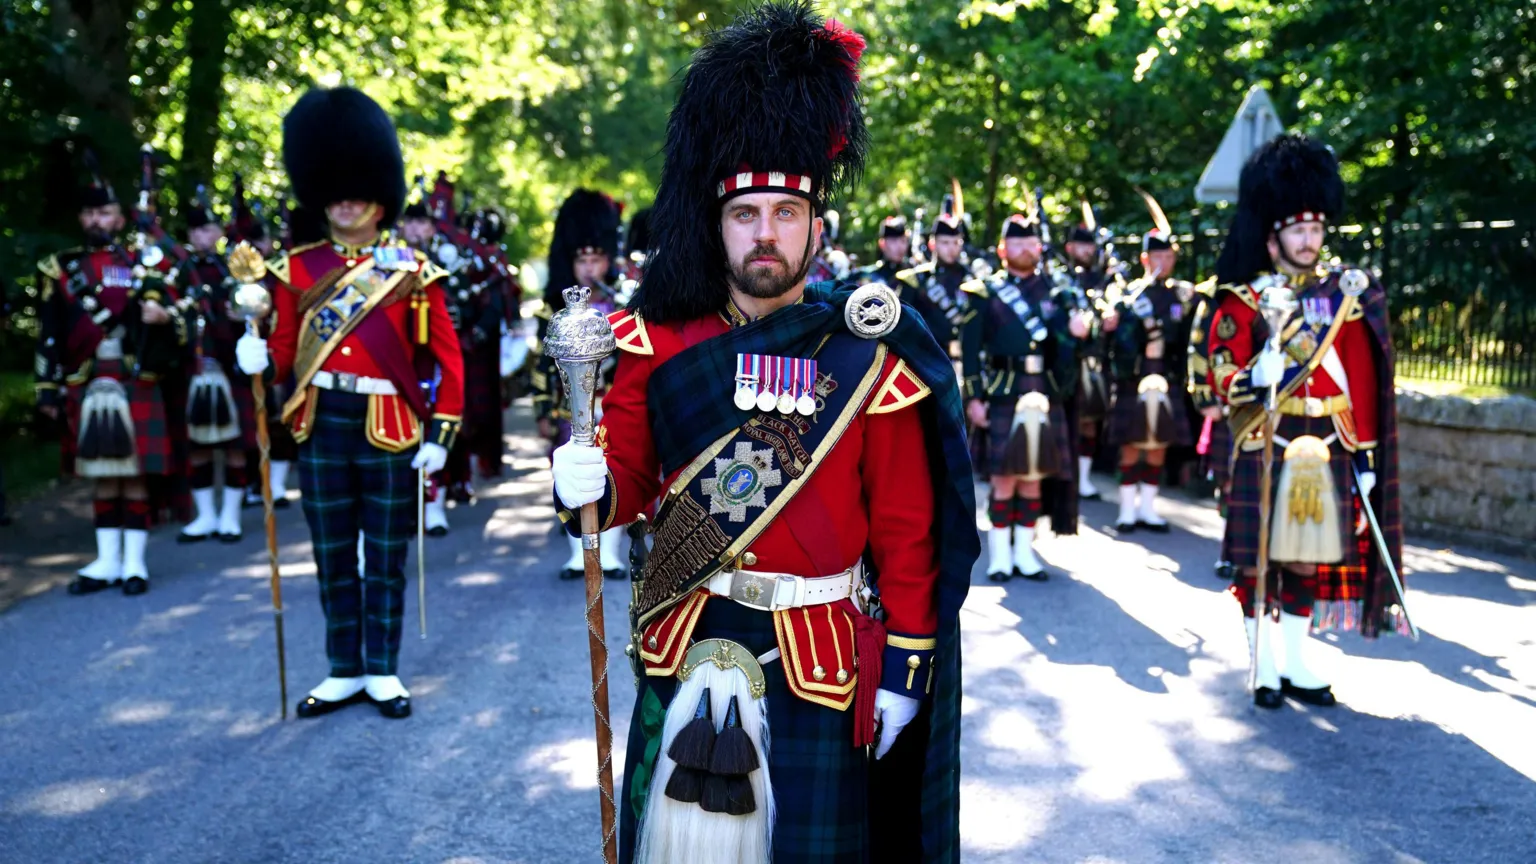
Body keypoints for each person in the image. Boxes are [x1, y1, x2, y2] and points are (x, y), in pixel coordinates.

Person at [549, 6, 976, 861]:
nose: (767, 233)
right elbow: (627, 485)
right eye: (747, 213)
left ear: (818, 223)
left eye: (787, 211)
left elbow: (907, 533)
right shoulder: (655, 338)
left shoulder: (866, 350)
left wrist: (907, 669)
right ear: (716, 221)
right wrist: (583, 485)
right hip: (687, 636)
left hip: (821, 663)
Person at [235, 86, 464, 719]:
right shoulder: (294, 271)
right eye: (334, 187)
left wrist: (439, 436)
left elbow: (448, 361)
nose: (346, 198)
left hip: (389, 426)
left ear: (378, 193)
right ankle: (342, 668)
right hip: (320, 425)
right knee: (332, 551)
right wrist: (255, 357)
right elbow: (283, 352)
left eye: (357, 187)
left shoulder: (411, 268)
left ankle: (382, 670)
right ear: (320, 193)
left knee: (385, 554)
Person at [1207, 133, 1407, 709]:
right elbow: (1220, 374)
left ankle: (1296, 660)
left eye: (1316, 230)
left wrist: (1364, 456)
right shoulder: (1240, 301)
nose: (1309, 240)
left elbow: (1362, 383)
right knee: (1258, 561)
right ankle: (1262, 664)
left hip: (1326, 441)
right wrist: (1258, 370)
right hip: (1266, 439)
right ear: (1273, 236)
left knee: (1308, 557)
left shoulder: (1343, 296)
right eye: (1298, 230)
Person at [34, 159, 187, 595]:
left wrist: (162, 314)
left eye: (103, 213)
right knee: (101, 471)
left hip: (134, 375)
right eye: (88, 214)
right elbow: (49, 333)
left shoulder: (147, 259)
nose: (95, 220)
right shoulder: (60, 268)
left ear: (120, 218)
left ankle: (134, 563)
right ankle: (105, 561)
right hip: (86, 378)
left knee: (135, 471)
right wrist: (47, 388)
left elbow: (183, 305)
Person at [961, 213, 1088, 581]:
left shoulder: (1056, 290)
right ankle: (1000, 556)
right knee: (1003, 476)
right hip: (1002, 391)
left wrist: (1080, 332)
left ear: (1039, 247)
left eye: (1030, 243)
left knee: (1032, 473)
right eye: (1016, 243)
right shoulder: (984, 292)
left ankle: (1025, 553)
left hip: (1044, 391)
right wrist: (974, 398)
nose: (1024, 249)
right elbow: (970, 351)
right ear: (1003, 250)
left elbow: (1067, 348)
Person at [532, 188, 629, 580]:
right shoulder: (550, 310)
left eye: (597, 258)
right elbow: (541, 368)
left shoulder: (624, 306)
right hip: (569, 410)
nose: (589, 267)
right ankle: (577, 553)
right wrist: (541, 409)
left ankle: (613, 553)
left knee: (613, 472)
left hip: (614, 405)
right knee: (571, 475)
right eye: (582, 259)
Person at [1104, 192, 1195, 533]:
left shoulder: (1181, 295)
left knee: (1159, 442)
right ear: (1144, 258)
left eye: (1168, 255)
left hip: (1166, 376)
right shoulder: (1130, 297)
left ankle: (1149, 509)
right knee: (1131, 443)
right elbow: (1115, 342)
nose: (1163, 261)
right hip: (1135, 376)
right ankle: (1127, 510)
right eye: (1157, 255)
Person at [173, 190, 256, 543]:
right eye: (194, 232)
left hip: (230, 367)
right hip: (192, 369)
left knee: (235, 445)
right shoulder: (178, 272)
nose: (200, 237)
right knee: (198, 445)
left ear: (218, 233)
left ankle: (230, 516)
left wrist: (246, 316)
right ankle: (205, 516)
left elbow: (255, 312)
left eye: (206, 230)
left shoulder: (234, 269)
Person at [1061, 213, 1115, 500]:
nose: (1088, 252)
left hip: (1094, 357)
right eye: (1083, 247)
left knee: (1091, 418)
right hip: (1065, 360)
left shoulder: (1103, 278)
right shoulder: (1058, 276)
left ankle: (1083, 478)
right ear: (1070, 248)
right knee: (1066, 418)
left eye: (1091, 247)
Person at [895, 211, 973, 355]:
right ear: (932, 244)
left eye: (956, 242)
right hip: (927, 358)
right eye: (945, 243)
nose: (951, 248)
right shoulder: (916, 279)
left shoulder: (973, 278)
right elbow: (902, 326)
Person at [855, 215, 912, 290]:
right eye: (894, 241)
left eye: (903, 241)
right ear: (882, 244)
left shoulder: (913, 274)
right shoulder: (869, 275)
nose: (900, 247)